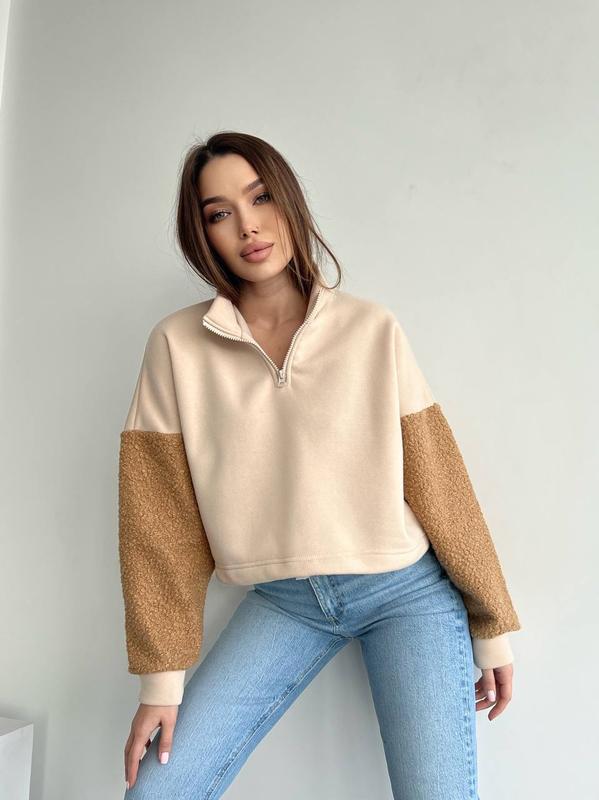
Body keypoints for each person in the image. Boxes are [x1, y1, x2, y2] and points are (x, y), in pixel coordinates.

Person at [119, 131, 521, 799]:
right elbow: (158, 522)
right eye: (219, 213)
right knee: (157, 791)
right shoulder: (176, 346)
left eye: (261, 198)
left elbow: (438, 481)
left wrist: (493, 626)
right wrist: (161, 681)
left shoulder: (370, 329)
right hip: (285, 602)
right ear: (202, 233)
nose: (247, 226)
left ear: (289, 202)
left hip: (406, 594)